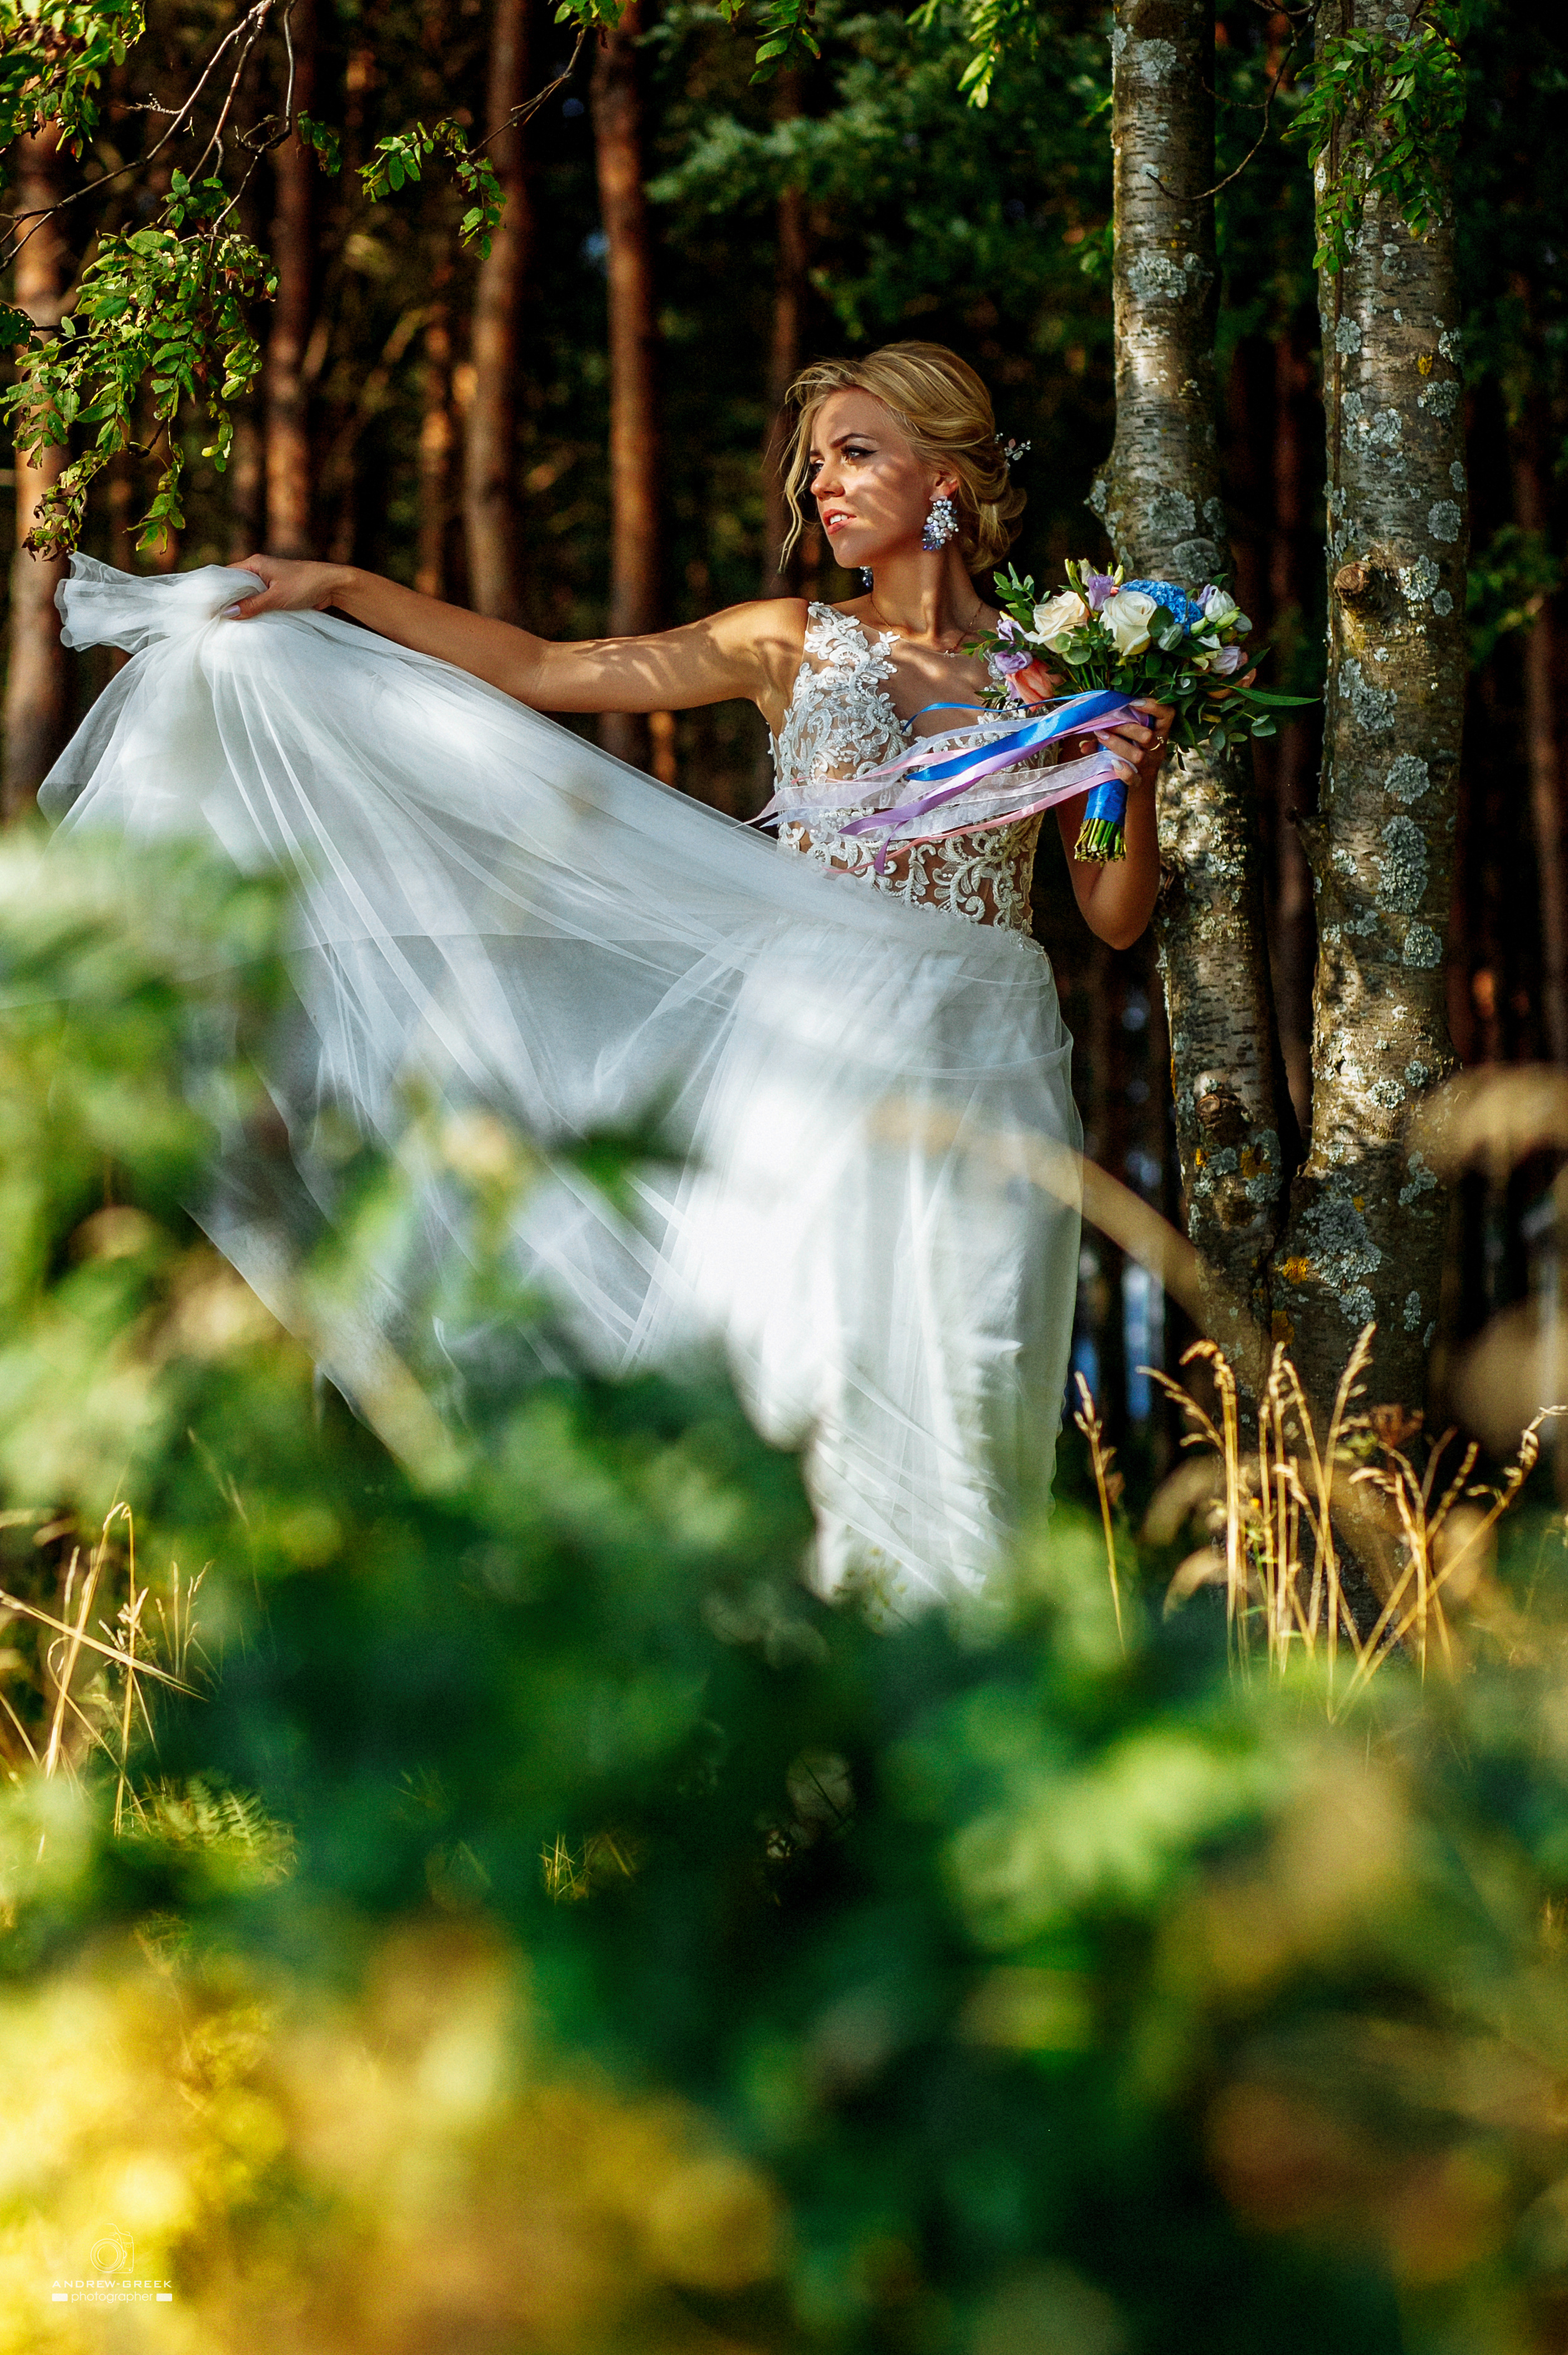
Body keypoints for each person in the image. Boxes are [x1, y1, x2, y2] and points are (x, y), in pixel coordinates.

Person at [42, 341, 1170, 1614]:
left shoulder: (1051, 672)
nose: (822, 490)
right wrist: (340, 585)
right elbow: (544, 669)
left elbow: (1112, 912)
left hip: (985, 1047)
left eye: (855, 454)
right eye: (813, 466)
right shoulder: (786, 640)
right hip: (814, 1039)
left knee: (973, 1361)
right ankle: (777, 1731)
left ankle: (953, 1714)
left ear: (950, 476)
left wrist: (1121, 774)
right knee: (797, 1361)